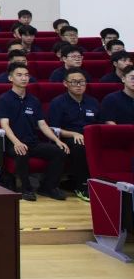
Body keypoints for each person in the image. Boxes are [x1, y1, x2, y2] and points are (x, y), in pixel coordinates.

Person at [0, 65, 68, 201]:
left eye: (26, 75)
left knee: (59, 152)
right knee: (22, 152)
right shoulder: (4, 99)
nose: (24, 78)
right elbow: (4, 124)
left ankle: (48, 187)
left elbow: (42, 124)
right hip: (12, 143)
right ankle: (26, 189)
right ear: (10, 78)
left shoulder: (33, 100)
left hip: (33, 142)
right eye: (19, 75)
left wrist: (57, 140)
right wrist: (16, 142)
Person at [47, 68, 101, 200]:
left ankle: (104, 184)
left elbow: (99, 125)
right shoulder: (58, 102)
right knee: (80, 146)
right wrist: (73, 134)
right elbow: (54, 128)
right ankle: (82, 186)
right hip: (67, 138)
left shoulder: (93, 101)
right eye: (74, 82)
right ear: (65, 84)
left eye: (82, 82)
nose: (79, 85)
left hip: (90, 137)